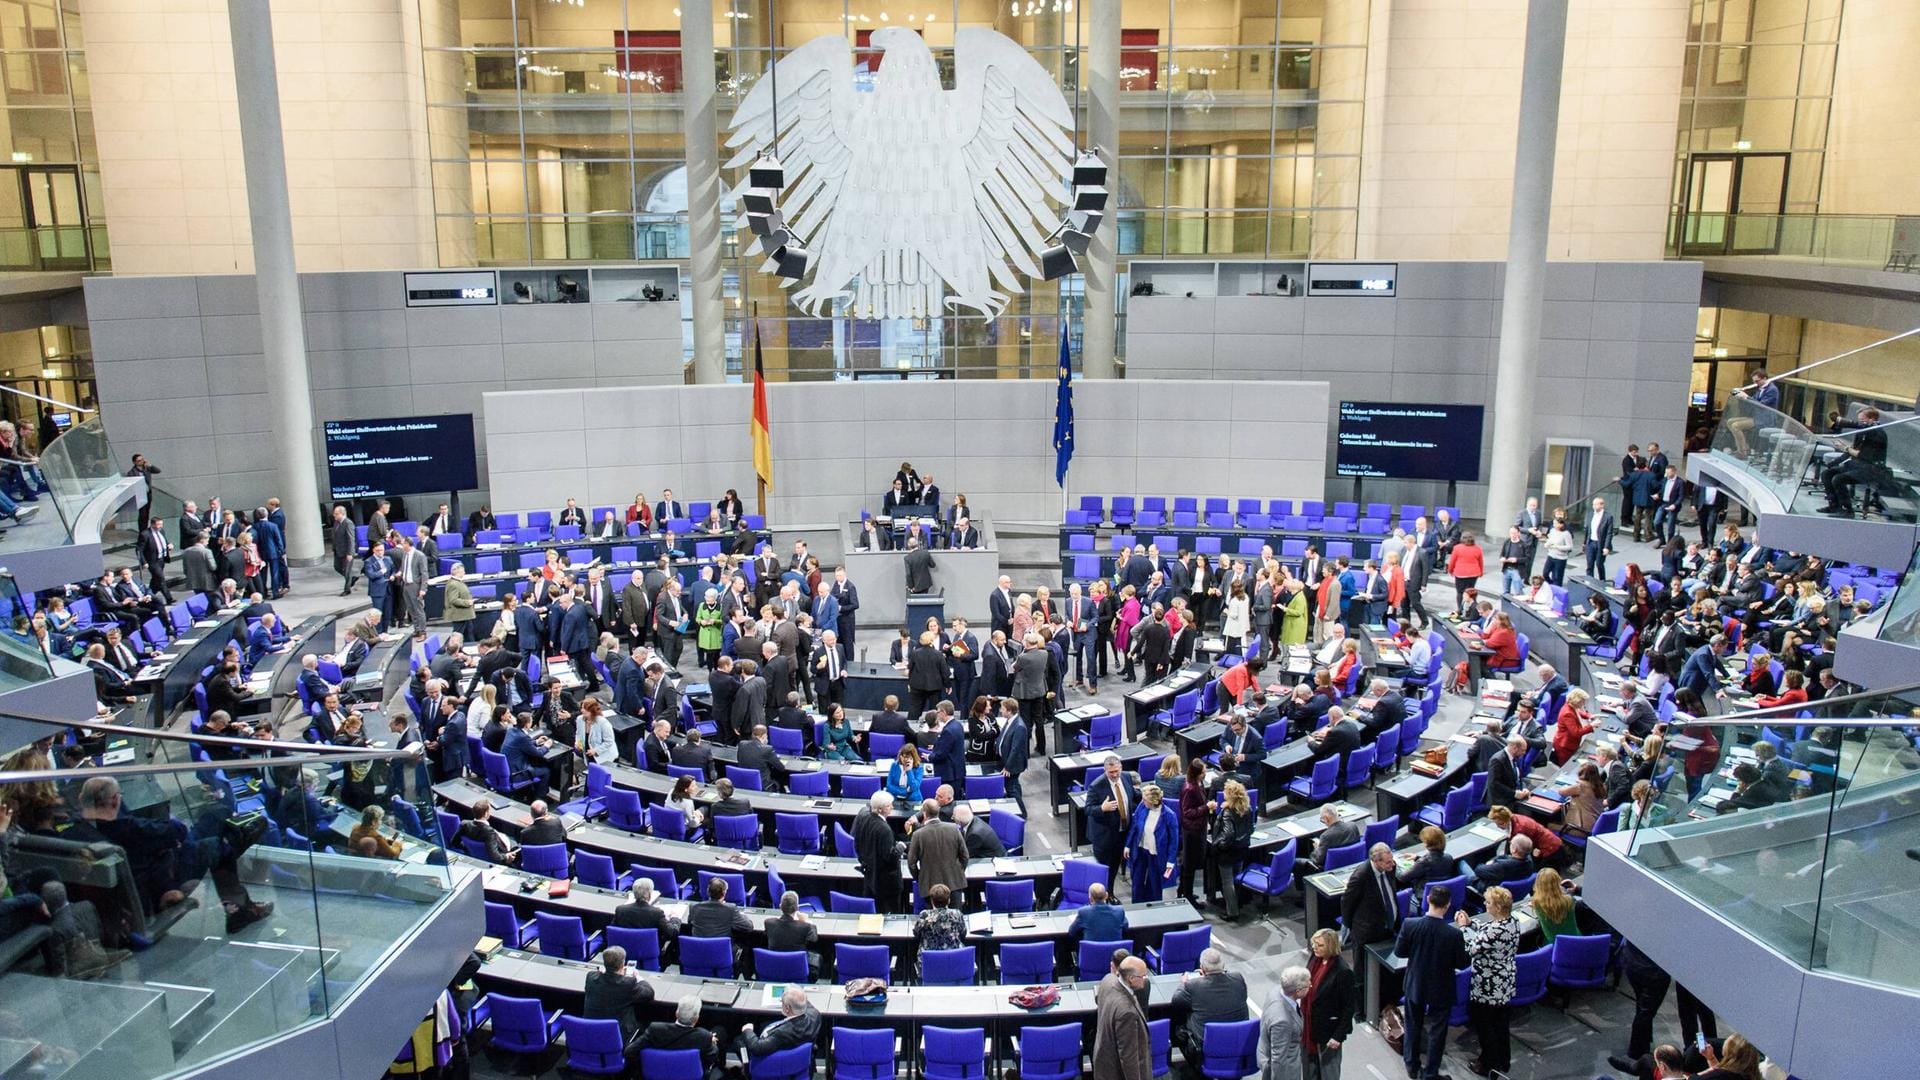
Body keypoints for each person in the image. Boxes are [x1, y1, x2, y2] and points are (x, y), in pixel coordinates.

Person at [1395, 884, 1470, 1080]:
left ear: (1428, 899)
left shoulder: (1410, 924)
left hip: (1416, 984)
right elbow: (1462, 963)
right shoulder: (1454, 934)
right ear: (1448, 905)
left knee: (1413, 1025)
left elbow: (1400, 952)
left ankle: (1411, 1065)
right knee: (1438, 1031)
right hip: (1441, 987)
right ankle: (1431, 1073)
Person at [1458, 885, 1520, 1076]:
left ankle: (1488, 1065)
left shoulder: (1495, 931)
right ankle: (1502, 1060)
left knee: (1486, 1027)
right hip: (1505, 981)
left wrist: (1463, 928)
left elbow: (1471, 948)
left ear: (1498, 907)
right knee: (1501, 1024)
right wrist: (1471, 924)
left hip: (1489, 985)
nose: (1485, 904)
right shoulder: (1512, 921)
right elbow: (1486, 931)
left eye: (1489, 902)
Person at [1172, 946, 1250, 1060]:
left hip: (1205, 1048)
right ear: (1223, 965)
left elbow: (1176, 1002)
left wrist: (1184, 983)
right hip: (1239, 1042)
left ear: (1202, 967)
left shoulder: (1193, 986)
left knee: (1178, 1022)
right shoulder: (1238, 978)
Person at [1301, 929, 1355, 1080]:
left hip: (1328, 1032)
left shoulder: (1343, 972)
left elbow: (1349, 1007)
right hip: (1309, 1027)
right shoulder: (1315, 958)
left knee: (1328, 1073)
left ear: (1330, 946)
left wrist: (1338, 1036)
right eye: (1314, 944)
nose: (1315, 948)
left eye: (1320, 945)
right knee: (1309, 1072)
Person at [1091, 957, 1153, 1080]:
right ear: (1131, 979)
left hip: (1103, 1063)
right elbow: (1129, 1057)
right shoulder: (1127, 1013)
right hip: (1117, 1073)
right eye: (1144, 976)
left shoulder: (1107, 980)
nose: (1146, 979)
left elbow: (1099, 999)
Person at [1086, 754, 1140, 893]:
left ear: (1121, 768)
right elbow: (1088, 809)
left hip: (1122, 833)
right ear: (1105, 770)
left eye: (1117, 771)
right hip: (1105, 837)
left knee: (1114, 867)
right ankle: (1102, 896)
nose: (1115, 774)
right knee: (1104, 871)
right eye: (1111, 772)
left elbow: (1133, 796)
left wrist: (1146, 794)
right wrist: (1102, 808)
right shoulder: (1096, 786)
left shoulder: (1127, 777)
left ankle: (1109, 894)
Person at [582, 945, 655, 1043]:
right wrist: (638, 977)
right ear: (623, 963)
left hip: (590, 1032)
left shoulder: (591, 977)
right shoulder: (628, 983)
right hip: (617, 1036)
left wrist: (603, 973)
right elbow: (649, 993)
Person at [1203, 780, 1254, 917]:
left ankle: (1232, 912)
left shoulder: (1227, 812)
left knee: (1227, 882)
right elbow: (1251, 828)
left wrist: (1218, 845)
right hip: (1242, 849)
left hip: (1228, 852)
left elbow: (1228, 834)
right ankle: (1238, 903)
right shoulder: (1247, 808)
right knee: (1237, 877)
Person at [732, 987, 822, 1065]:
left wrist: (747, 1030)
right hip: (802, 1061)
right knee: (763, 1025)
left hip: (776, 1064)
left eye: (782, 1002)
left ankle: (748, 1069)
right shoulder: (815, 1015)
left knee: (739, 1041)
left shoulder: (781, 1033)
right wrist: (794, 993)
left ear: (787, 1008)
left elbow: (757, 1048)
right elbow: (803, 1001)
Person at [1340, 844, 1403, 954]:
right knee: (1363, 967)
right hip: (1367, 933)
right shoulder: (1361, 876)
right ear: (1376, 861)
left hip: (1389, 928)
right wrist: (1354, 927)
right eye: (1388, 862)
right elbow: (1347, 903)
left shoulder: (1390, 868)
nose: (1392, 864)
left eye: (1392, 860)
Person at [639, 998, 722, 1080]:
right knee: (720, 1030)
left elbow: (630, 1052)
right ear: (696, 1019)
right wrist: (712, 1042)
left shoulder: (655, 1030)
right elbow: (712, 1056)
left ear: (676, 1014)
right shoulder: (703, 1036)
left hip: (655, 1076)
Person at [1125, 783, 1179, 902]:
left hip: (1156, 854)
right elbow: (1134, 826)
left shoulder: (1169, 815)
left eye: (1145, 799)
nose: (1142, 801)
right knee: (1137, 881)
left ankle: (1154, 907)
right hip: (1140, 851)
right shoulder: (1142, 806)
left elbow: (1174, 841)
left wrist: (1170, 862)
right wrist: (1127, 845)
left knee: (1155, 884)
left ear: (1153, 801)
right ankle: (1137, 906)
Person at [906, 797, 968, 899]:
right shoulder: (954, 828)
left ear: (924, 814)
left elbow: (911, 863)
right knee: (955, 914)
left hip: (930, 885)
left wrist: (920, 878)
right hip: (954, 883)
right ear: (938, 811)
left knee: (933, 915)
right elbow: (965, 856)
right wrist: (958, 872)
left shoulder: (918, 834)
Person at [853, 789, 903, 913]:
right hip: (886, 884)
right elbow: (890, 858)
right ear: (880, 809)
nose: (892, 807)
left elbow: (857, 843)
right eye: (888, 805)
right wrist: (900, 847)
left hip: (870, 875)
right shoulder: (884, 829)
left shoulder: (864, 818)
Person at [1257, 965, 1310, 1080]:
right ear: (1298, 991)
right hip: (1286, 1071)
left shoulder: (1276, 991)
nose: (1310, 985)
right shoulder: (1283, 1021)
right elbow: (1278, 1058)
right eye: (1308, 985)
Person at [614, 878, 680, 946]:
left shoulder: (620, 910)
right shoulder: (657, 913)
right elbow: (673, 933)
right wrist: (675, 918)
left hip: (625, 950)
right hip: (649, 951)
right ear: (649, 894)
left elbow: (612, 932)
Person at [997, 697, 1030, 816]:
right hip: (1007, 762)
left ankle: (1021, 813)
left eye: (1003, 709)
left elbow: (1015, 750)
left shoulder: (1019, 726)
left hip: (1013, 765)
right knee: (1015, 785)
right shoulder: (1009, 721)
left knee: (1011, 788)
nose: (1001, 711)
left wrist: (1008, 767)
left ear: (1009, 711)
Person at [914, 882, 967, 953]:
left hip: (929, 960)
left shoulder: (924, 915)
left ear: (931, 901)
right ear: (949, 900)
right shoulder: (957, 914)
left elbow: (916, 934)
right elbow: (963, 933)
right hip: (954, 959)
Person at [1532, 868, 1579, 942]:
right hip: (1576, 939)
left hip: (1554, 944)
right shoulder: (1569, 900)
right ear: (1558, 882)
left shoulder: (1537, 903)